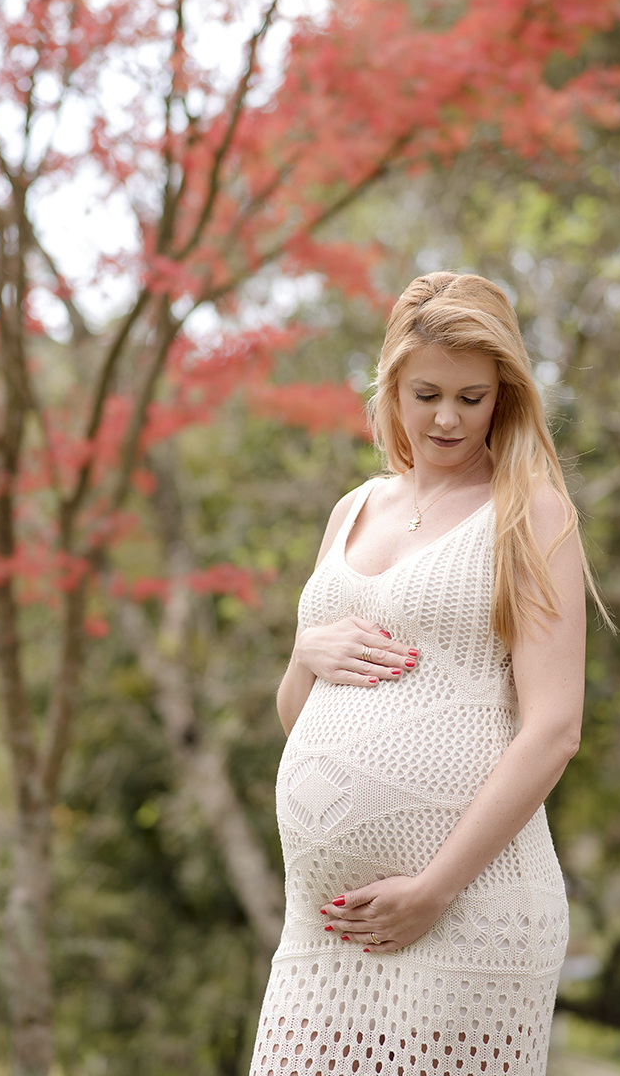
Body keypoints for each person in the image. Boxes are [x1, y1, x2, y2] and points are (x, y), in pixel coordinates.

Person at [250, 272, 594, 1076]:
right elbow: (301, 721)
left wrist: (435, 888)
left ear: (503, 396)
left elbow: (555, 729)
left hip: (467, 909)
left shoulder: (530, 511)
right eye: (426, 395)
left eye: (472, 398)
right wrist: (304, 655)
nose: (447, 418)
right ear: (391, 388)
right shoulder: (352, 510)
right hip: (324, 925)